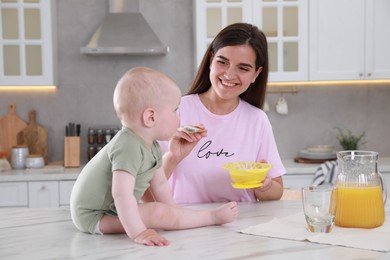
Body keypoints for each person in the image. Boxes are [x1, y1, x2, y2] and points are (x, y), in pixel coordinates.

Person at [70, 67, 239, 247]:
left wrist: (173, 211)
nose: (179, 116)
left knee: (164, 211)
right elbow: (121, 194)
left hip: (109, 211)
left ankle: (189, 216)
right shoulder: (128, 146)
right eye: (175, 110)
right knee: (156, 212)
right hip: (94, 216)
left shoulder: (152, 145)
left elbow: (159, 185)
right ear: (151, 117)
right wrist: (139, 232)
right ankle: (212, 217)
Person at [161, 23, 286, 203]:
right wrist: (172, 158)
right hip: (185, 224)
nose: (229, 74)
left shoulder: (257, 120)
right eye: (222, 62)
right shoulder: (177, 110)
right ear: (211, 60)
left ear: (256, 74)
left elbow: (277, 190)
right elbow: (145, 191)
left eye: (243, 68)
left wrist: (264, 185)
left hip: (240, 225)